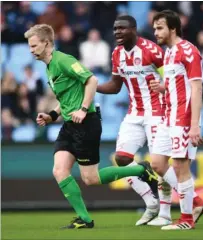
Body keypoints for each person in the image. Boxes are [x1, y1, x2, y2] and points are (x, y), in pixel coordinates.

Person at [24, 24, 158, 229]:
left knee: (91, 179)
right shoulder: (50, 66)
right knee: (59, 170)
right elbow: (68, 96)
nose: (31, 50)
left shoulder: (64, 61)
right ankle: (85, 219)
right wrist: (53, 115)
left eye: (34, 45)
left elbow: (92, 80)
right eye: (29, 46)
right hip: (70, 125)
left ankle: (140, 169)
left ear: (47, 43)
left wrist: (84, 109)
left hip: (86, 123)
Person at [96, 15, 203, 227]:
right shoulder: (117, 53)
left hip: (159, 112)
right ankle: (152, 202)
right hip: (135, 112)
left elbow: (180, 81)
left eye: (122, 28)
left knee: (163, 165)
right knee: (122, 158)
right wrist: (91, 85)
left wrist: (165, 90)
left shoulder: (155, 50)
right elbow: (115, 85)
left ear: (134, 29)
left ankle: (169, 213)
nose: (117, 32)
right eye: (114, 28)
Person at [151, 10, 203, 230]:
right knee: (157, 162)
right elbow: (178, 84)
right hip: (168, 116)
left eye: (160, 28)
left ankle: (186, 220)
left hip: (183, 118)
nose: (156, 32)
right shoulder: (168, 53)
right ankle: (196, 201)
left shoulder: (189, 51)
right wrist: (163, 87)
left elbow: (196, 87)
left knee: (180, 166)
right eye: (155, 28)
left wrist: (194, 125)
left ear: (172, 29)